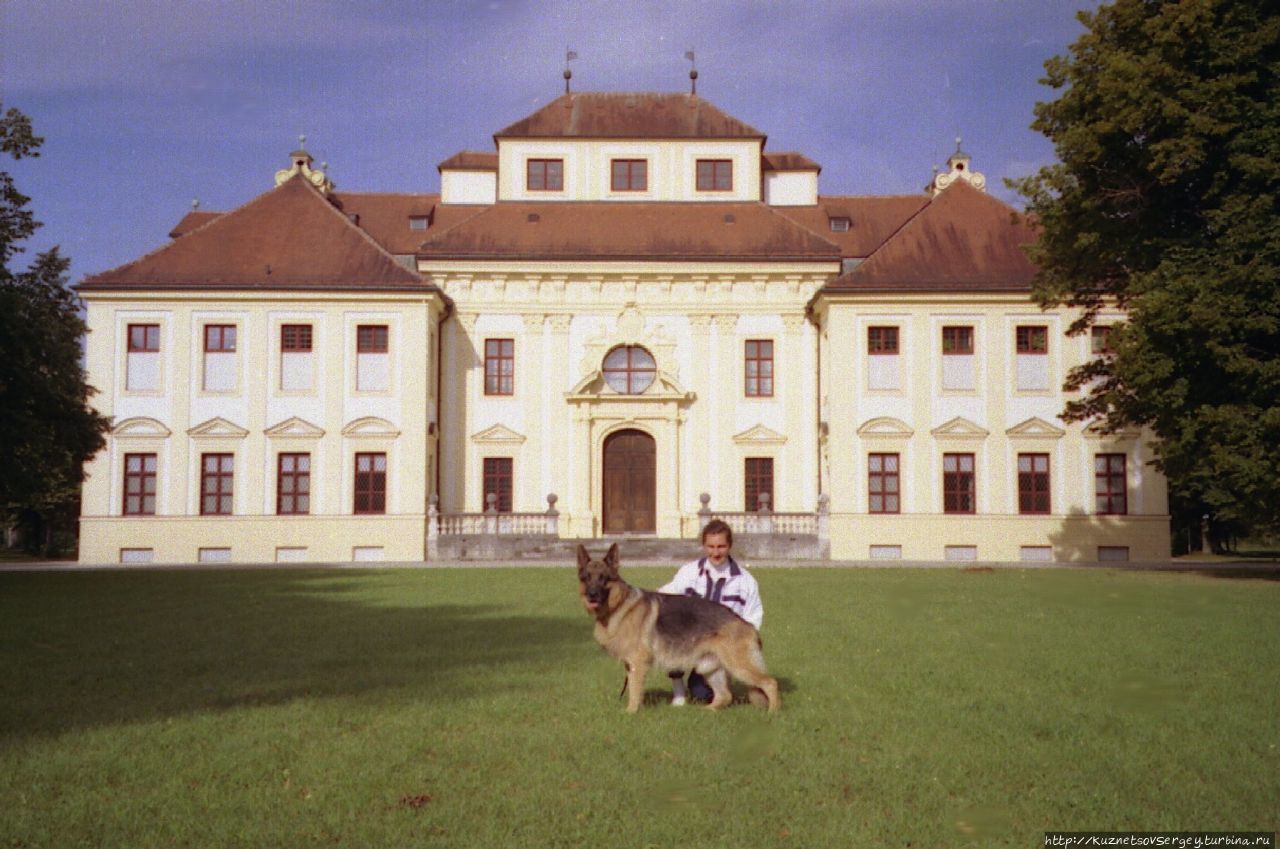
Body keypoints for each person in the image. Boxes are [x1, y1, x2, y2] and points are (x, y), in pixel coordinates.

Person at [659, 519, 763, 705]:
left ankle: (727, 682)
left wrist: (735, 652)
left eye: (721, 546)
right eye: (711, 546)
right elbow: (665, 596)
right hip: (691, 640)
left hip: (723, 643)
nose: (716, 552)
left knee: (701, 693)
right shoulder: (689, 572)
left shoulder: (746, 581)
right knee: (669, 629)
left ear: (729, 545)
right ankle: (678, 691)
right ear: (704, 546)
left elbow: (752, 621)